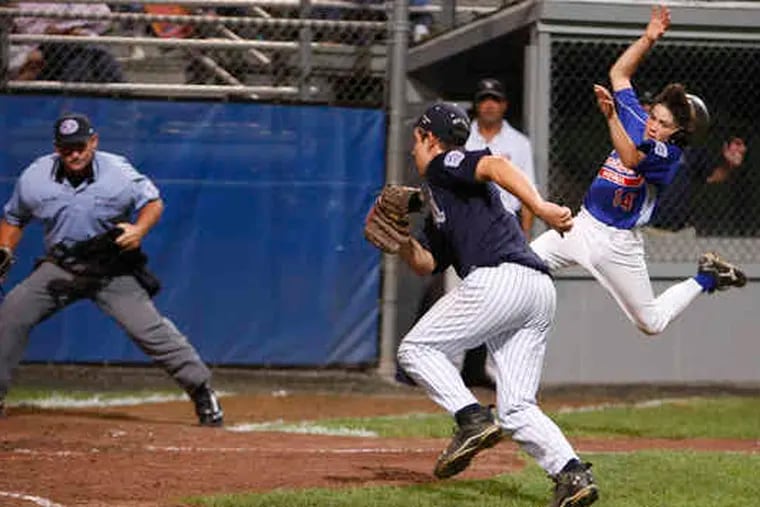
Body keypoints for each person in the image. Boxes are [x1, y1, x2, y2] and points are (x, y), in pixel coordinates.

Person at [394, 102, 598, 507]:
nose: (413, 149)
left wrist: (539, 208)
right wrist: (400, 240)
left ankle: (470, 418)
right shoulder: (441, 197)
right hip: (536, 288)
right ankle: (571, 474)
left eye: (415, 140)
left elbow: (496, 166)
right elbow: (427, 264)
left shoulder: (443, 164)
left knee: (415, 349)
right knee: (517, 406)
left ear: (429, 139)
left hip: (500, 279)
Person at [530, 5, 746, 339]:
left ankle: (707, 277)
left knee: (651, 323)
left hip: (618, 244)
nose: (654, 125)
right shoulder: (637, 118)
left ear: (677, 133)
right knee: (520, 264)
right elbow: (619, 74)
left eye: (664, 124)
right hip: (581, 224)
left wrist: (611, 116)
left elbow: (630, 158)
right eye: (654, 117)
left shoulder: (669, 154)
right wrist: (648, 38)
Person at [0, 113, 223, 427]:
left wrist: (139, 230)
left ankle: (202, 390)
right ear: (56, 148)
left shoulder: (118, 172)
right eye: (66, 149)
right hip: (61, 267)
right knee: (11, 313)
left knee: (150, 331)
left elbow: (153, 202)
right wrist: (6, 248)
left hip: (110, 269)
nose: (74, 154)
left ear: (94, 142)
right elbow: (13, 217)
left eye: (80, 146)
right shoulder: (35, 177)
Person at [10, 2, 124, 82]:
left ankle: (74, 104)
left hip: (84, 40)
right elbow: (28, 26)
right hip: (48, 44)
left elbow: (104, 18)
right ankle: (122, 98)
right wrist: (67, 30)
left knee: (87, 57)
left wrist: (74, 28)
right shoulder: (30, 4)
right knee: (92, 55)